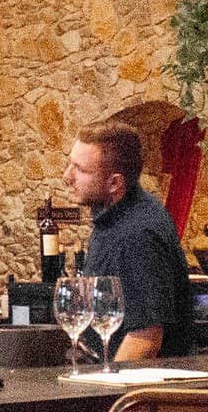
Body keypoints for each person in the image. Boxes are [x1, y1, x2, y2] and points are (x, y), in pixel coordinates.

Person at [65, 119, 194, 359]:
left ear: (114, 183)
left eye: (80, 169)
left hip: (140, 392)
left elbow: (145, 339)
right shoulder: (115, 220)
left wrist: (105, 393)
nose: (67, 176)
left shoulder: (137, 234)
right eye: (70, 164)